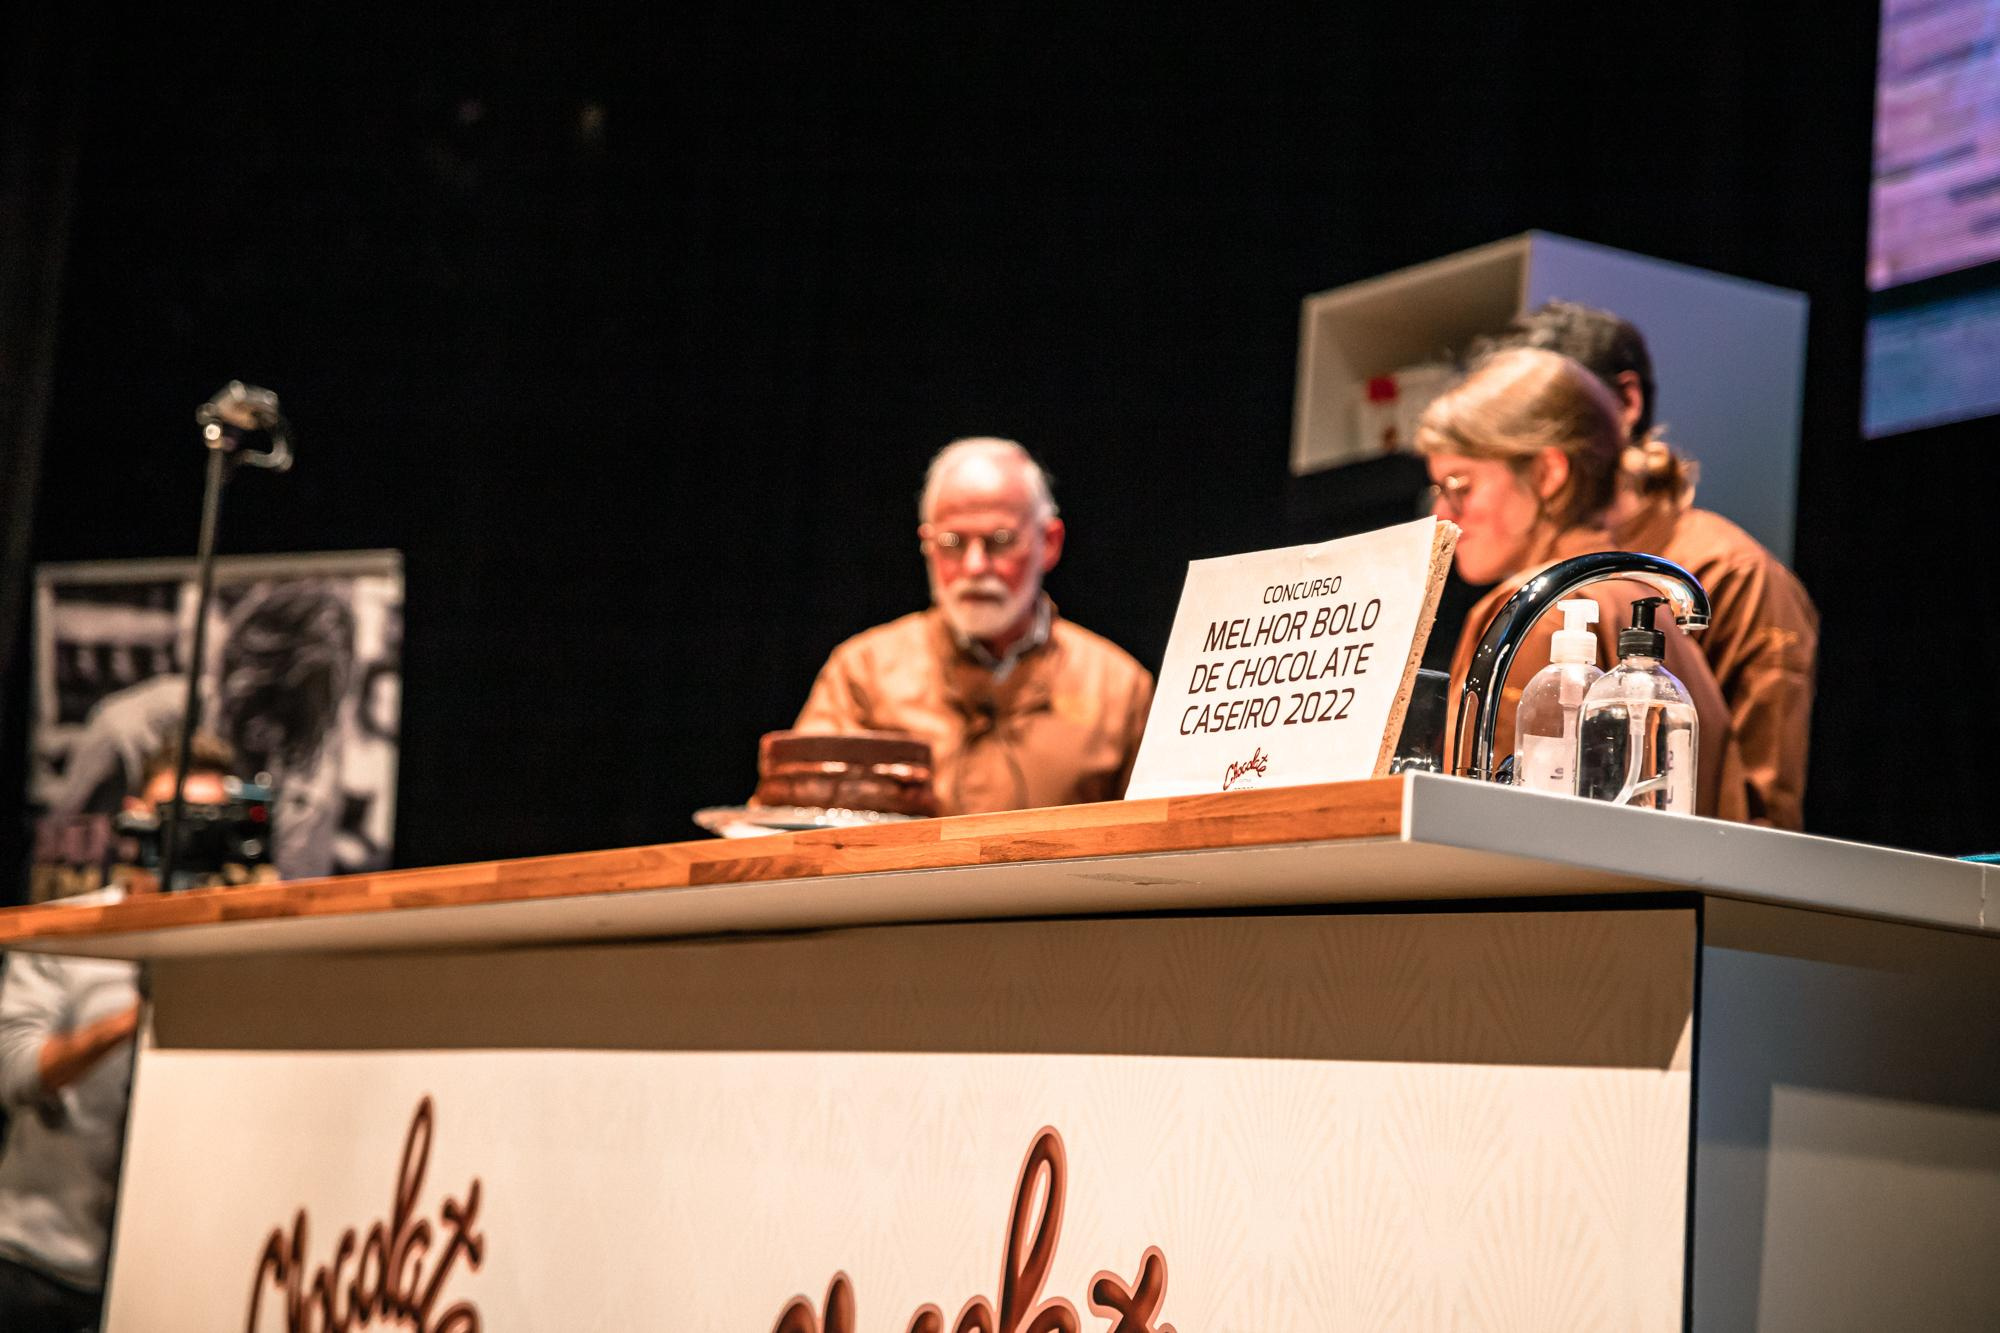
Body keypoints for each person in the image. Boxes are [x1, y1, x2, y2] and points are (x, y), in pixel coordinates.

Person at [1478, 300, 1819, 829]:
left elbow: (1763, 819)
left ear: (1625, 402)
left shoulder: (1735, 575)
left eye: (1539, 412)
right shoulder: (1535, 584)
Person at [1418, 348, 1751, 822]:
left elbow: (1480, 826)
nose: (1442, 514)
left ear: (1548, 473)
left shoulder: (1538, 611)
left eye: (1460, 486)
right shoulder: (1645, 600)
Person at [0, 737, 238, 1331]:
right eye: (173, 817)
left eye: (206, 822)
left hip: (174, 1271)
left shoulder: (243, 944)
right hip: (41, 1263)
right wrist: (137, 1018)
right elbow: (13, 1072)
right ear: (135, 818)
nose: (186, 837)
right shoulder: (68, 931)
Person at [793, 437, 1154, 814]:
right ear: (928, 545)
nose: (975, 566)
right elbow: (794, 821)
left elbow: (1161, 837)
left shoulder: (1119, 689)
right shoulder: (862, 673)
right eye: (953, 542)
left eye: (1000, 541)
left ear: (1049, 542)